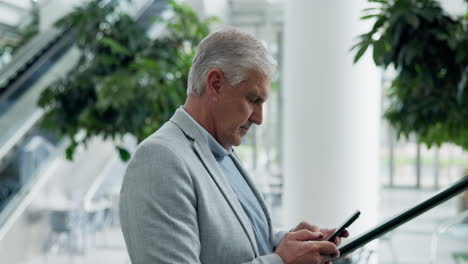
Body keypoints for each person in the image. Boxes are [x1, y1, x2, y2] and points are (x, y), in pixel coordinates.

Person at [119, 27, 349, 264]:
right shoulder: (159, 160)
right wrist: (281, 261)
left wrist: (290, 243)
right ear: (215, 84)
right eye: (253, 99)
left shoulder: (223, 152)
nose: (259, 118)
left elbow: (235, 246)